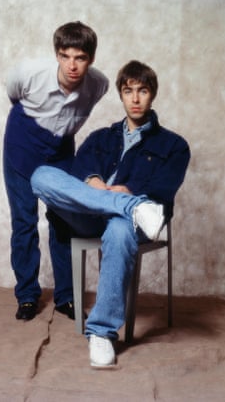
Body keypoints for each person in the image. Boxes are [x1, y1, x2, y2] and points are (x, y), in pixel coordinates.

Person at [30, 60, 190, 367]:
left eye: (142, 90)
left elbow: (163, 190)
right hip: (93, 214)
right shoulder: (101, 137)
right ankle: (130, 208)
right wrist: (91, 181)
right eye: (128, 91)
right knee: (41, 176)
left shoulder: (174, 145)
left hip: (138, 222)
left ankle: (101, 333)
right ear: (120, 94)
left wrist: (128, 191)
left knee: (119, 228)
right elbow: (77, 173)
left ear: (152, 94)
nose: (135, 98)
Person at [3, 21, 109, 322]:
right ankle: (26, 296)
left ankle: (67, 298)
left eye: (81, 58)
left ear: (91, 59)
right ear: (56, 54)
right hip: (23, 143)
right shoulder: (30, 73)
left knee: (64, 221)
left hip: (61, 149)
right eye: (65, 56)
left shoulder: (98, 84)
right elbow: (14, 96)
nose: (72, 65)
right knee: (24, 222)